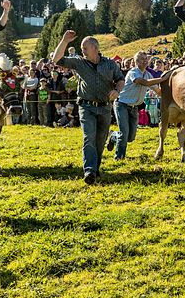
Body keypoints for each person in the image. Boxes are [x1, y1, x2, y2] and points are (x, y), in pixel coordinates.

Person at [52, 30, 125, 184]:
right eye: (82, 48)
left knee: (100, 140)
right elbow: (56, 59)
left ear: (95, 49)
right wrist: (64, 41)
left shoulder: (110, 64)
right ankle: (89, 170)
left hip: (105, 107)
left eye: (85, 48)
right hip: (86, 107)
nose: (82, 51)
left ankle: (95, 169)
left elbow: (120, 79)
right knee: (89, 137)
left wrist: (117, 91)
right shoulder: (79, 62)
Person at [107, 51, 164, 160]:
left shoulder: (148, 74)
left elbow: (157, 90)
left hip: (134, 107)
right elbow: (144, 82)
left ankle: (113, 136)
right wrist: (162, 78)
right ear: (137, 62)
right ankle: (119, 157)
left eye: (146, 59)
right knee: (124, 133)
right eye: (143, 59)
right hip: (122, 104)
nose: (146, 61)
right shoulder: (133, 72)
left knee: (130, 137)